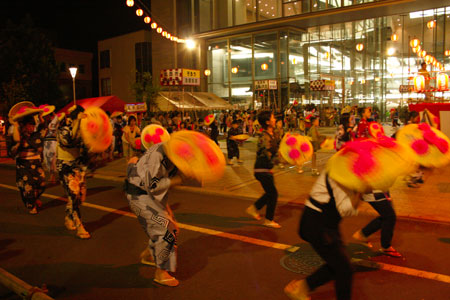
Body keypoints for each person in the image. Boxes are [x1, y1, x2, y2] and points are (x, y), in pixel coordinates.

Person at [284, 172, 361, 300]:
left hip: (324, 224)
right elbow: (346, 210)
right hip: (318, 224)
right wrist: (361, 193)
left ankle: (302, 287)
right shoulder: (339, 175)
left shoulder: (343, 170)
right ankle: (302, 287)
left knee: (339, 265)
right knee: (344, 269)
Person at [125, 143, 185, 287]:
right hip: (139, 195)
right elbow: (153, 185)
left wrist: (168, 210)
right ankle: (161, 272)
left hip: (146, 194)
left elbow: (159, 187)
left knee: (172, 227)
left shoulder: (168, 154)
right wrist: (178, 180)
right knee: (167, 231)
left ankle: (150, 255)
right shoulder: (160, 154)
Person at [56, 105, 90, 239]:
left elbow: (86, 148)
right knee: (73, 195)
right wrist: (78, 123)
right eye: (81, 117)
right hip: (65, 166)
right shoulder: (63, 129)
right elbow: (69, 141)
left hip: (77, 166)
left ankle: (68, 216)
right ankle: (80, 226)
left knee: (80, 196)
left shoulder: (82, 131)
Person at [245, 111, 281, 228]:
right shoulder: (264, 137)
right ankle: (268, 219)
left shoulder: (272, 134)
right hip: (261, 169)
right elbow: (268, 153)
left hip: (265, 169)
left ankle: (254, 208)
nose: (275, 119)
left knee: (270, 193)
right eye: (273, 117)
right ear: (267, 122)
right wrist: (281, 159)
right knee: (273, 194)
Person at [11, 111, 46, 214]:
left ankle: (34, 199)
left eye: (33, 125)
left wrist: (40, 117)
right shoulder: (20, 135)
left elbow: (44, 128)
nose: (31, 127)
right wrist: (16, 125)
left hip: (36, 163)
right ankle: (31, 205)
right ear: (24, 126)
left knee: (42, 184)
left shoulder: (36, 135)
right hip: (24, 165)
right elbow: (15, 144)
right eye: (29, 125)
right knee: (28, 186)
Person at [352, 191, 402, 258]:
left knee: (387, 216)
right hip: (373, 192)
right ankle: (386, 246)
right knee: (389, 216)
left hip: (382, 190)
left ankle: (363, 233)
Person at [43, 112, 60, 183]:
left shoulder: (54, 121)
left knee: (53, 159)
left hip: (53, 142)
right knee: (47, 160)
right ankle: (52, 175)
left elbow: (53, 125)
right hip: (46, 143)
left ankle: (53, 176)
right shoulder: (45, 123)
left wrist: (53, 113)